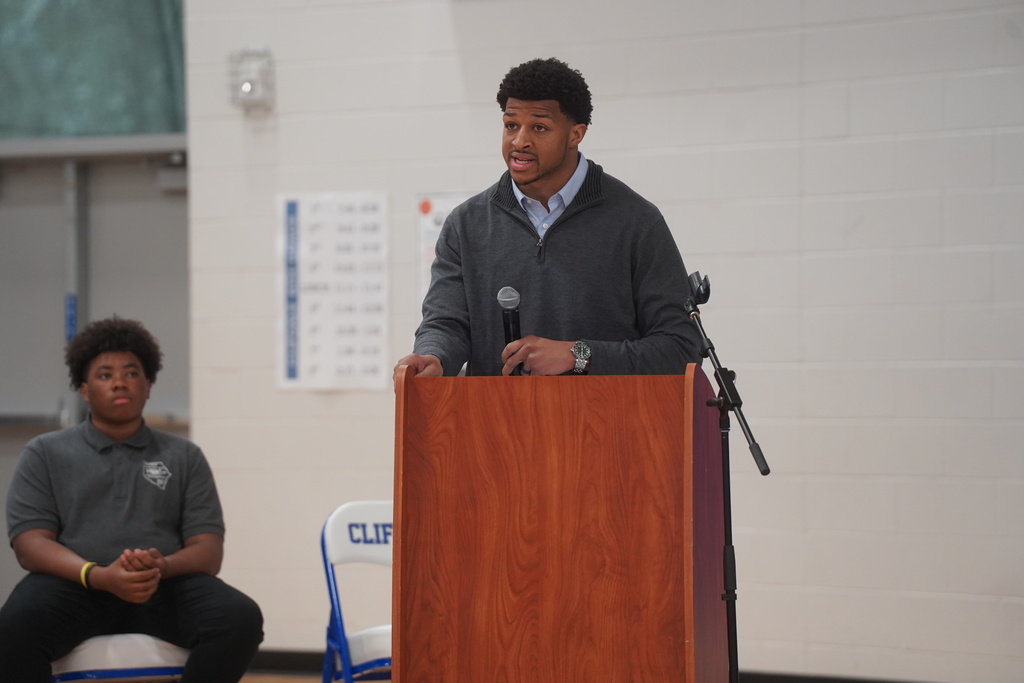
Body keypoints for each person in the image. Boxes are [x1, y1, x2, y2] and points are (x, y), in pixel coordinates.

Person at [395, 57, 702, 379]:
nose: (519, 141)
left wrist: (578, 355)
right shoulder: (465, 224)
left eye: (539, 127)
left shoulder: (636, 221)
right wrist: (434, 356)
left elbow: (681, 348)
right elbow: (446, 324)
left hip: (604, 426)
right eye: (511, 125)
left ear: (576, 134)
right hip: (494, 425)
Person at [0, 317, 263, 682]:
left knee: (240, 618)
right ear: (84, 390)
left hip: (162, 586)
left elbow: (208, 550)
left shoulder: (184, 456)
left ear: (149, 385)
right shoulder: (44, 452)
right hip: (77, 585)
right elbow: (30, 544)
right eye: (105, 375)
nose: (120, 382)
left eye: (131, 373)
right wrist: (97, 575)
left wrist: (163, 566)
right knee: (14, 627)